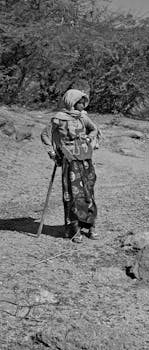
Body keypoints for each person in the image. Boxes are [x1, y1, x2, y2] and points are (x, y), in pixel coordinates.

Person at [40, 89, 102, 243]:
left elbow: (94, 129)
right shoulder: (58, 119)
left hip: (86, 160)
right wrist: (53, 153)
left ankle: (90, 225)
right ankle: (75, 228)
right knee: (73, 194)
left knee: (89, 192)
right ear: (71, 102)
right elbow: (45, 135)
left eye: (83, 102)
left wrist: (89, 139)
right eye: (79, 102)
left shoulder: (83, 117)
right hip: (70, 160)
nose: (82, 105)